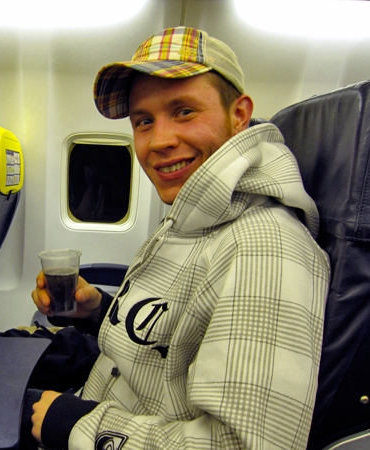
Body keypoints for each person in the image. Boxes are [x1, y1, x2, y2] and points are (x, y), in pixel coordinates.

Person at [28, 26, 330, 449]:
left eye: (184, 111)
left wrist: (74, 424)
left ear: (239, 115)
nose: (160, 141)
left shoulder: (265, 247)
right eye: (144, 121)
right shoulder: (193, 215)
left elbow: (241, 445)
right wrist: (97, 311)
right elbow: (176, 341)